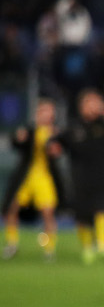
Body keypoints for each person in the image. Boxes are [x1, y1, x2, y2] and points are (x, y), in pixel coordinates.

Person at [55, 90, 104, 263]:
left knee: (102, 209)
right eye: (89, 103)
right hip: (80, 177)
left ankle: (103, 247)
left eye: (95, 103)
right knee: (82, 215)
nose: (92, 107)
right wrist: (52, 146)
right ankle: (87, 247)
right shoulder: (73, 127)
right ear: (81, 106)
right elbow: (57, 142)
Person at [3, 99, 64, 261]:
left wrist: (57, 150)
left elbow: (61, 150)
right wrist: (18, 138)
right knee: (12, 208)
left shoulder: (56, 133)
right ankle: (12, 243)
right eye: (42, 110)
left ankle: (49, 249)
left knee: (47, 212)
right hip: (26, 177)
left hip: (44, 177)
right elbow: (16, 143)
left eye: (48, 111)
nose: (46, 114)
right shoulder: (30, 131)